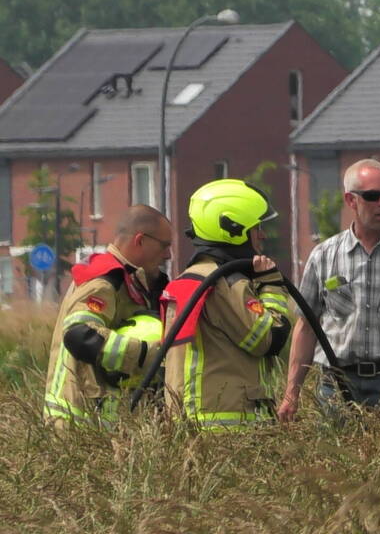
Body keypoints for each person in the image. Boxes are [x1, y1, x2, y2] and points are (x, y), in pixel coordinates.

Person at [278, 159, 380, 420]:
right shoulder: (323, 256)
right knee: (333, 457)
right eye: (372, 196)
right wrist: (291, 394)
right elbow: (306, 327)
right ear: (351, 200)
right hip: (336, 384)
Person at [161, 179, 292, 428]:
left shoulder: (192, 277)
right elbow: (269, 339)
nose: (262, 234)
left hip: (193, 420)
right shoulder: (227, 284)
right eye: (256, 228)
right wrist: (271, 285)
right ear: (233, 229)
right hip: (227, 427)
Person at [43, 204, 172, 427]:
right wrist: (149, 356)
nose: (168, 255)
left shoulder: (131, 280)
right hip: (76, 421)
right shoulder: (104, 281)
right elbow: (80, 336)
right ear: (140, 240)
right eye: (164, 246)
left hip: (97, 422)